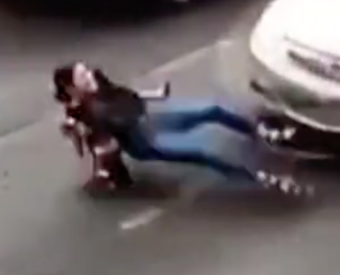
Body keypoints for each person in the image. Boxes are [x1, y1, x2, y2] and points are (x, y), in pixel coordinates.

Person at [52, 62, 308, 195]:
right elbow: (94, 147)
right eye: (81, 77)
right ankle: (264, 179)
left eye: (85, 70)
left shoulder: (98, 78)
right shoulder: (82, 113)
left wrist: (154, 95)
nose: (88, 75)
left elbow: (124, 95)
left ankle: (262, 133)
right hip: (144, 141)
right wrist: (99, 166)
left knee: (212, 109)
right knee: (205, 151)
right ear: (73, 89)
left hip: (149, 117)